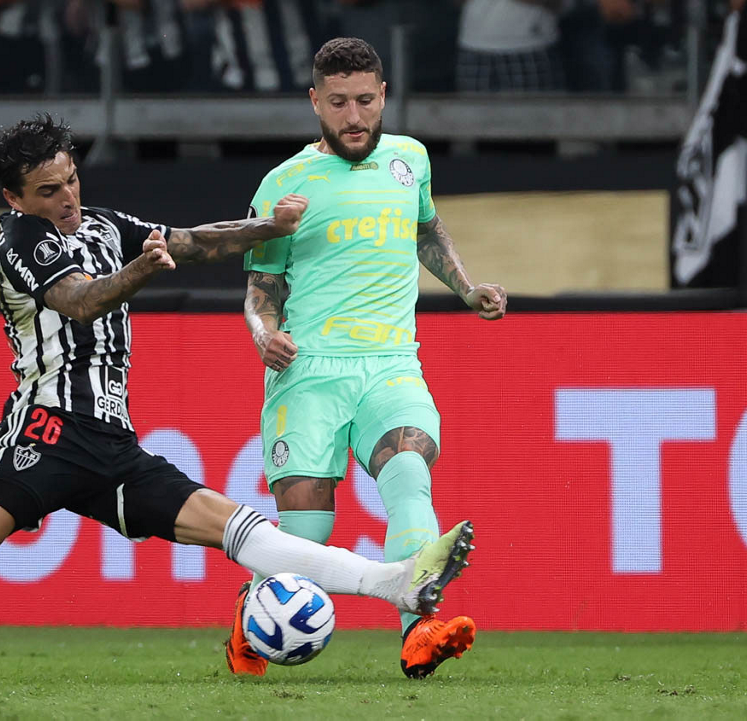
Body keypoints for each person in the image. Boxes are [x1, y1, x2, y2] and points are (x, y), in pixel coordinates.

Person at [0, 113, 475, 682]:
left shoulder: (103, 223)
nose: (68, 197)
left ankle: (393, 579)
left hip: (109, 445)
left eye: (71, 179)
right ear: (15, 196)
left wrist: (263, 227)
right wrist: (142, 269)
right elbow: (79, 301)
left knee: (236, 527)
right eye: (49, 190)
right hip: (44, 435)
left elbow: (192, 240)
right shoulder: (19, 242)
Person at [227, 37, 505, 680]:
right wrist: (263, 333)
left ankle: (419, 630)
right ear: (314, 102)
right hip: (309, 369)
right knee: (307, 527)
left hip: (391, 363)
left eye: (364, 101)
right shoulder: (284, 183)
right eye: (338, 103)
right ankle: (249, 622)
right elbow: (261, 288)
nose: (353, 117)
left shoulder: (411, 159)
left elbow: (425, 229)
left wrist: (467, 288)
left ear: (383, 94)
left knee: (408, 470)